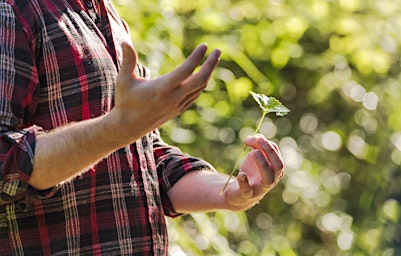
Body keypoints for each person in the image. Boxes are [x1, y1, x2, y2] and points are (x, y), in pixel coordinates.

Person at [0, 0, 285, 254]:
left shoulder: (104, 13)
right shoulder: (12, 11)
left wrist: (229, 192)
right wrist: (116, 129)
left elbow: (143, 160)